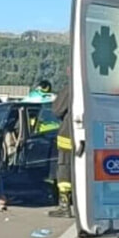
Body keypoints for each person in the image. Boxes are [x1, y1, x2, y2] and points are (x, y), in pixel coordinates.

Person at [49, 82, 73, 218]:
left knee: (64, 168)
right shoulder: (98, 85)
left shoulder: (71, 86)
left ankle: (64, 206)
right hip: (93, 133)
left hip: (69, 134)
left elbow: (57, 110)